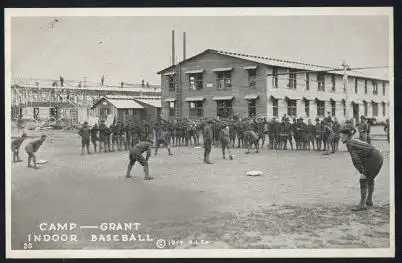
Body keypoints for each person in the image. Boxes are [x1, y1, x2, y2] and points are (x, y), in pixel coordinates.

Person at [339, 127, 384, 211]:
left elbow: (355, 159)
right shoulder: (353, 140)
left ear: (346, 136)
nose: (340, 138)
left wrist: (362, 171)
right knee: (370, 178)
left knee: (363, 179)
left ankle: (362, 204)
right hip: (379, 155)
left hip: (374, 156)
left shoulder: (349, 143)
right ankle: (369, 200)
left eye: (341, 137)